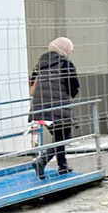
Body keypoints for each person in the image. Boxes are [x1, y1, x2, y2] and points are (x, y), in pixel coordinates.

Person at [29, 36, 80, 179]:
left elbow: (32, 81)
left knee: (59, 136)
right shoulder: (65, 63)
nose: (70, 52)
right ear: (65, 49)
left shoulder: (41, 62)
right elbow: (73, 85)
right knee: (64, 137)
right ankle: (41, 161)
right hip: (58, 108)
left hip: (39, 109)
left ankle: (62, 167)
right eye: (70, 50)